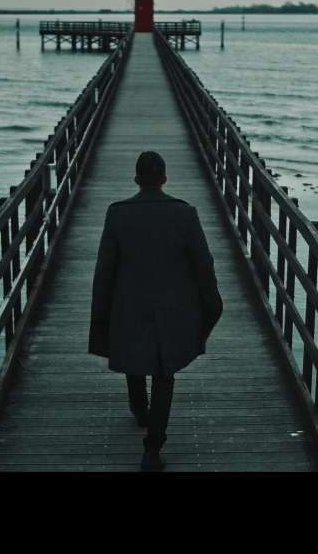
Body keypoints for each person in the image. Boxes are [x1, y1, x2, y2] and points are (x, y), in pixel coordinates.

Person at [88, 151, 223, 471]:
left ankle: (139, 408)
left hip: (128, 304)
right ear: (163, 178)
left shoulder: (117, 214)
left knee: (134, 351)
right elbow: (203, 264)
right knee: (165, 373)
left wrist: (101, 315)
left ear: (137, 179)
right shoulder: (185, 214)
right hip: (172, 308)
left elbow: (104, 271)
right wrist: (212, 303)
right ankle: (153, 448)